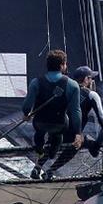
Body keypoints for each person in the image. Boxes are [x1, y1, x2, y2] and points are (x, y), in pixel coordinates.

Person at [22, 49, 82, 179]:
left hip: (39, 122)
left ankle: (39, 148)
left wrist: (26, 113)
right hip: (59, 123)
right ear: (61, 66)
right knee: (57, 136)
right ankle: (52, 153)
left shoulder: (36, 82)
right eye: (65, 64)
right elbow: (75, 111)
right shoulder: (72, 85)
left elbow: (27, 105)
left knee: (39, 133)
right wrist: (78, 133)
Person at [45, 65, 103, 175]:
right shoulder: (91, 95)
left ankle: (36, 168)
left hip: (54, 131)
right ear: (85, 79)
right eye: (91, 78)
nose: (92, 81)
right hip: (72, 135)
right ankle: (51, 170)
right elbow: (102, 117)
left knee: (51, 144)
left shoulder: (61, 89)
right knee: (78, 143)